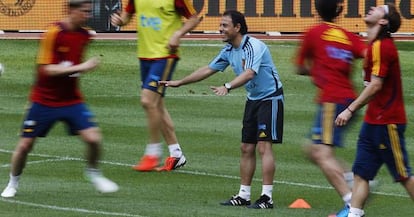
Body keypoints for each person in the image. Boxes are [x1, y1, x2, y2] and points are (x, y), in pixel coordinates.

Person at [159, 10, 284, 209]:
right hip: (253, 99)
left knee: (263, 147)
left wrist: (227, 86)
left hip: (271, 99)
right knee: (246, 148)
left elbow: (250, 73)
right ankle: (244, 195)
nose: (220, 29)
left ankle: (266, 197)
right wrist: (180, 82)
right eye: (220, 25)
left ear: (237, 27)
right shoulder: (228, 50)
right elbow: (208, 69)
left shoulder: (253, 46)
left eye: (225, 25)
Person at [1, 0, 119, 198]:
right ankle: (13, 183)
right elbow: (46, 69)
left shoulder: (84, 35)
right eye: (84, 11)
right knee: (24, 146)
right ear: (71, 11)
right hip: (44, 100)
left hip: (71, 100)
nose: (88, 15)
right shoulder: (53, 33)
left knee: (94, 139)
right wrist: (80, 68)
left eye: (89, 12)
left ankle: (93, 173)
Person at [335, 3, 414, 217]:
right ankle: (355, 214)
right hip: (372, 122)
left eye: (379, 8)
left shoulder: (382, 46)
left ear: (384, 21)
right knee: (362, 173)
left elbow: (376, 85)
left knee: (403, 174)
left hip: (388, 122)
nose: (372, 7)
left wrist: (349, 109)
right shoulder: (372, 46)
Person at [110, 0, 202, 172]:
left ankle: (153, 153)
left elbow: (193, 19)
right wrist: (120, 21)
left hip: (165, 55)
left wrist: (178, 34)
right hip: (144, 55)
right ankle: (176, 154)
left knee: (147, 101)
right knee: (156, 104)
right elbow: (127, 15)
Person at [294, 0, 367, 211]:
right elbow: (367, 55)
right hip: (349, 100)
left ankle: (351, 204)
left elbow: (299, 67)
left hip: (332, 101)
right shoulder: (348, 36)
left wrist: (316, 70)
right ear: (339, 10)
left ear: (316, 9)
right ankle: (358, 181)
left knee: (321, 154)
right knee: (311, 149)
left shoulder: (313, 33)